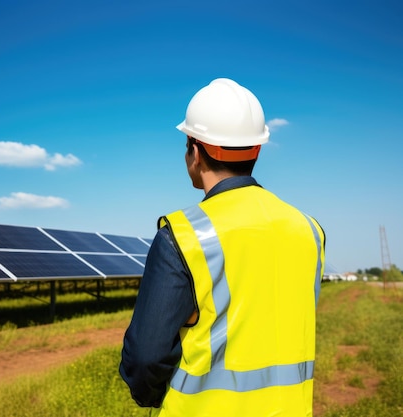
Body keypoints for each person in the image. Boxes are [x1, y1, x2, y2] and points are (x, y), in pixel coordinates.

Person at [119, 78, 325, 416]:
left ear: (195, 152)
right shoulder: (309, 230)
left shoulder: (183, 235)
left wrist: (147, 395)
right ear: (256, 149)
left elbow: (145, 357)